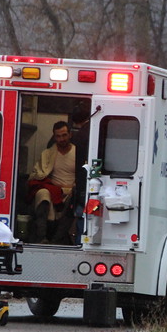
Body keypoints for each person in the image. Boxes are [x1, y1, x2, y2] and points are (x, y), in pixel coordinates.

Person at [28, 121, 76, 243]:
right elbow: (37, 174)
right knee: (42, 193)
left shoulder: (78, 153)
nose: (62, 139)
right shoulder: (47, 154)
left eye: (64, 135)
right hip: (53, 190)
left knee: (74, 198)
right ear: (54, 137)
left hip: (71, 191)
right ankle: (42, 236)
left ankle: (56, 240)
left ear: (70, 135)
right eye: (58, 136)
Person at [70, 102, 91, 244]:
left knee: (80, 220)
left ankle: (78, 244)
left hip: (82, 185)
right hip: (89, 185)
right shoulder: (94, 130)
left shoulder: (79, 137)